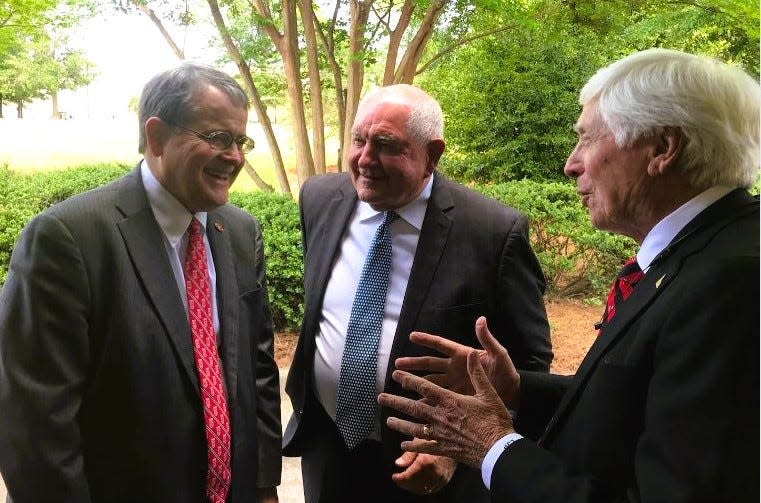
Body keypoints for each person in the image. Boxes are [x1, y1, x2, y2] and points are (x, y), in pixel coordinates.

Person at [378, 48, 759, 502]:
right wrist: (519, 391)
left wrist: (492, 446)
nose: (571, 163)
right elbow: (637, 409)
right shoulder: (705, 252)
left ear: (662, 148)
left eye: (587, 139)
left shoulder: (732, 282)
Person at [0, 63, 282, 502]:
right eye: (217, 138)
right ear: (156, 137)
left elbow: (258, 367)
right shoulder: (68, 238)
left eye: (240, 141)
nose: (235, 157)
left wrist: (264, 484)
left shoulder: (241, 232)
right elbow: (36, 427)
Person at [282, 83, 553, 503]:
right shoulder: (320, 198)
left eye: (387, 146)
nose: (365, 159)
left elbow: (529, 363)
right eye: (358, 140)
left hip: (431, 472)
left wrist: (457, 449)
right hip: (327, 444)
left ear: (433, 154)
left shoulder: (492, 232)